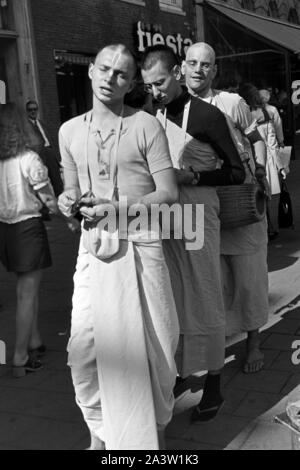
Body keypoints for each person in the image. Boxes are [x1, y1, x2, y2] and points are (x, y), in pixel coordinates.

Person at [58, 44, 179, 450]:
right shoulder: (69, 130)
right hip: (94, 249)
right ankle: (102, 433)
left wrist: (118, 208)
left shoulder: (146, 125)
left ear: (131, 83)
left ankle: (153, 432)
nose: (111, 78)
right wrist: (67, 200)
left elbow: (168, 194)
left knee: (157, 348)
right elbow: (72, 187)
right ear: (91, 71)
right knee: (86, 350)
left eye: (122, 74)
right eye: (105, 69)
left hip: (142, 245)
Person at [141, 45, 245, 423]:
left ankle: (214, 383)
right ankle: (183, 370)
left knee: (204, 294)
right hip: (167, 217)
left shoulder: (207, 115)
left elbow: (237, 172)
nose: (156, 91)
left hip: (199, 215)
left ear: (178, 73)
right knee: (172, 295)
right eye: (149, 85)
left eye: (161, 82)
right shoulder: (154, 113)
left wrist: (194, 176)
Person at [182, 42, 269, 374]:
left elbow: (256, 139)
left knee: (248, 280)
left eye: (206, 64)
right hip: (198, 209)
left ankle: (254, 341)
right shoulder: (172, 109)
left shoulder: (232, 103)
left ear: (214, 70)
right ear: (183, 67)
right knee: (208, 284)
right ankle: (208, 347)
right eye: (193, 63)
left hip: (238, 201)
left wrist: (260, 173)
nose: (199, 69)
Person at [0, 103, 58, 377]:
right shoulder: (29, 159)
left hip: (5, 230)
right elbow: (49, 199)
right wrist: (70, 219)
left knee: (25, 290)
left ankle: (34, 340)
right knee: (27, 293)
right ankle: (20, 357)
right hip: (27, 228)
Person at [238, 83, 285, 240]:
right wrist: (282, 165)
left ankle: (263, 227)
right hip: (268, 161)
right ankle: (271, 226)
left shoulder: (242, 116)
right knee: (268, 195)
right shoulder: (269, 112)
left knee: (255, 196)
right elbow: (275, 141)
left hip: (249, 161)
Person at [26, 100, 63, 198]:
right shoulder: (26, 127)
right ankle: (44, 208)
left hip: (49, 152)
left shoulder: (42, 123)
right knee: (39, 183)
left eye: (35, 109)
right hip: (38, 155)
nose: (33, 111)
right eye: (30, 110)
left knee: (57, 180)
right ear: (27, 111)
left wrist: (56, 155)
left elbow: (50, 140)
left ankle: (62, 202)